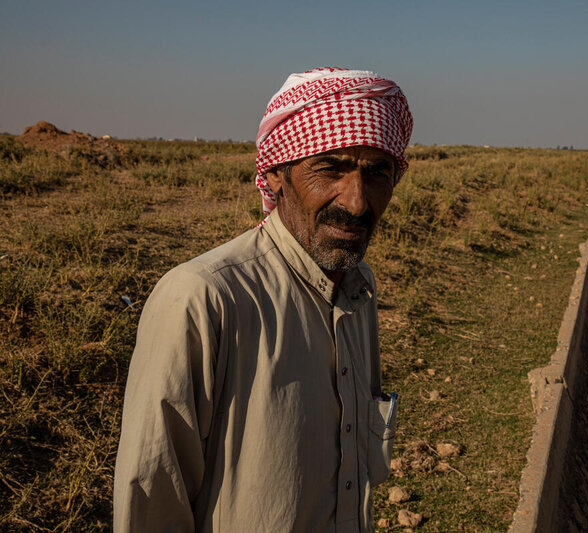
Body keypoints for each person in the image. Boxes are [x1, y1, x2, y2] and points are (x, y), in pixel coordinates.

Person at [114, 67, 413, 532]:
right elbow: (152, 500)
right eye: (330, 168)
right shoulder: (203, 298)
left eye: (377, 173)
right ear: (276, 173)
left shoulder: (358, 288)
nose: (356, 201)